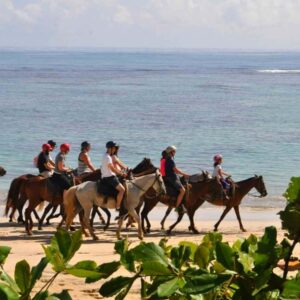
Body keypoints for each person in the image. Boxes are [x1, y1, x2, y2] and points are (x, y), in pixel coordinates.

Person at [101, 141, 126, 211]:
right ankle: (118, 206)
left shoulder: (104, 155)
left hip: (105, 177)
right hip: (110, 177)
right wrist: (121, 173)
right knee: (122, 190)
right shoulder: (108, 157)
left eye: (115, 148)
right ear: (110, 148)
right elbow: (112, 168)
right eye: (114, 148)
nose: (115, 150)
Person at [164, 145, 189, 210]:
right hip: (172, 178)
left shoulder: (166, 159)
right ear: (171, 152)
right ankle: (177, 207)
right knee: (183, 191)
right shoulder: (170, 160)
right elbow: (176, 170)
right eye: (174, 151)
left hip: (168, 176)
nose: (175, 152)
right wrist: (185, 174)